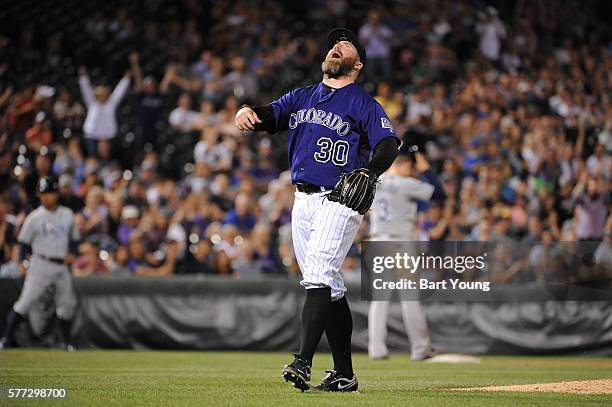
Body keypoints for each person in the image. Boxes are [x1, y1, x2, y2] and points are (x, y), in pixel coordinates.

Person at [235, 28, 399, 392]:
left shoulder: (364, 104)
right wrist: (248, 111)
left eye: (345, 45)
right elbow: (270, 115)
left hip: (340, 198)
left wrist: (371, 171)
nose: (336, 47)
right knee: (331, 286)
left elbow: (389, 143)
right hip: (303, 201)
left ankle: (302, 361)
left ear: (358, 64)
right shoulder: (302, 96)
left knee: (319, 274)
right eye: (333, 45)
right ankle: (344, 375)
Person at [368, 146, 444, 361]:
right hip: (400, 243)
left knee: (379, 299)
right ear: (404, 164)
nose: (413, 171)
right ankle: (420, 348)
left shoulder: (375, 180)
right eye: (411, 167)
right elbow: (439, 193)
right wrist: (427, 170)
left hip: (377, 241)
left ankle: (376, 349)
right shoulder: (407, 184)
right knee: (409, 298)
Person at [0, 177, 80, 351]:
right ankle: (6, 339)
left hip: (61, 266)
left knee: (66, 305)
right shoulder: (34, 217)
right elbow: (23, 243)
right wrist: (22, 262)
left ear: (56, 195)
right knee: (25, 301)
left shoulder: (67, 215)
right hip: (40, 264)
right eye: (43, 194)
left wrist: (73, 254)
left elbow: (74, 240)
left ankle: (68, 343)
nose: (46, 198)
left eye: (49, 194)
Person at [78, 65, 130, 156]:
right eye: (100, 94)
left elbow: (119, 92)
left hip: (109, 136)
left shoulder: (111, 104)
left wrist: (126, 79)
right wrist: (83, 77)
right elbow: (85, 91)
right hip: (92, 136)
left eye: (104, 94)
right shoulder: (92, 104)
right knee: (92, 158)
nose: (102, 96)